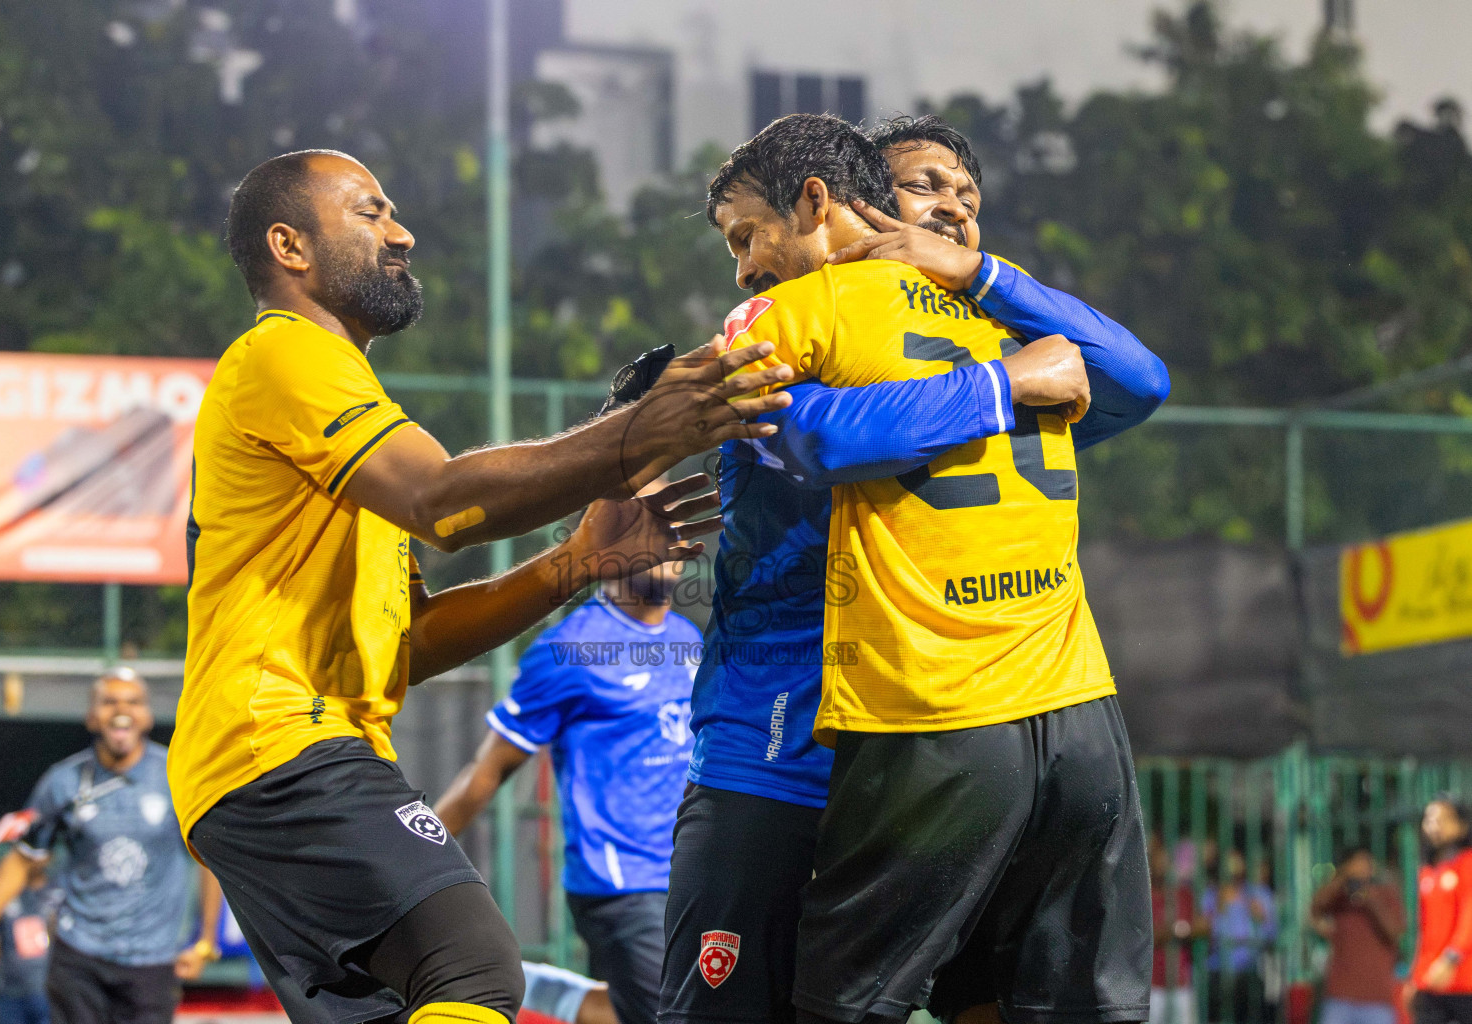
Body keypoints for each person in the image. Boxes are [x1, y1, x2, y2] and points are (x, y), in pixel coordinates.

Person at [170, 148, 792, 1024]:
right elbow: (443, 501)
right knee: (473, 969)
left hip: (262, 763)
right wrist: (631, 436)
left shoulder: (336, 413)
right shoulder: (286, 357)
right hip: (278, 745)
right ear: (290, 246)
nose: (403, 232)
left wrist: (572, 564)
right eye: (371, 212)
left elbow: (411, 641)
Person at [704, 112, 1164, 1024]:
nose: (949, 205)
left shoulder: (819, 313)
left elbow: (811, 437)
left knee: (842, 1002)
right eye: (923, 186)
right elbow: (1135, 381)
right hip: (1072, 721)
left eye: (966, 194)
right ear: (864, 199)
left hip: (928, 716)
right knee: (1040, 1000)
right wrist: (1009, 372)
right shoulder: (1024, 334)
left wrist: (984, 284)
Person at [434, 553, 702, 1024]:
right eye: (647, 525)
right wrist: (410, 868)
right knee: (678, 1016)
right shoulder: (569, 648)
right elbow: (487, 770)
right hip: (620, 880)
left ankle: (529, 985)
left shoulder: (688, 638)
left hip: (693, 874)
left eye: (675, 530)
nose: (666, 543)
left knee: (666, 1009)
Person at [0, 668, 223, 1024]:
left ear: (147, 715)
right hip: (80, 955)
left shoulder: (176, 776)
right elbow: (24, 857)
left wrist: (204, 937)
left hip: (152, 961)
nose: (120, 709)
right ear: (91, 716)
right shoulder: (63, 781)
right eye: (109, 701)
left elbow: (209, 861)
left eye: (132, 701)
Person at [1310, 846, 1404, 1024]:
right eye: (1355, 863)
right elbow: (1316, 907)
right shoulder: (1339, 897)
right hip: (1340, 996)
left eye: (1364, 863)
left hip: (1376, 998)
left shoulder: (1385, 894)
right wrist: (1343, 877)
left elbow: (1394, 932)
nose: (1361, 868)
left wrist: (1369, 899)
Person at [0, 857, 60, 1024]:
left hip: (49, 993)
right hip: (10, 994)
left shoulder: (59, 894)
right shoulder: (4, 897)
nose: (34, 859)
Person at [1410, 796, 1472, 1024]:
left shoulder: (1467, 863)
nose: (1435, 827)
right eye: (1430, 820)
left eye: (1443, 820)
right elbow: (1423, 930)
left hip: (1464, 981)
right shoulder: (1428, 871)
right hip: (1429, 981)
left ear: (1462, 825)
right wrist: (1415, 977)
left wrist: (1450, 959)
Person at [1202, 848, 1278, 1024]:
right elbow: (1206, 936)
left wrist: (1259, 916)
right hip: (1217, 972)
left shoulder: (1259, 894)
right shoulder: (1211, 894)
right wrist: (1219, 908)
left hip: (1250, 972)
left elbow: (1272, 933)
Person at [1149, 834, 1207, 1024]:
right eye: (1156, 861)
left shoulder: (1184, 894)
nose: (1161, 866)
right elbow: (1148, 936)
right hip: (1153, 986)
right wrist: (1176, 930)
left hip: (1181, 983)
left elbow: (1204, 926)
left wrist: (1179, 929)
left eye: (1164, 860)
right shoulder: (1145, 897)